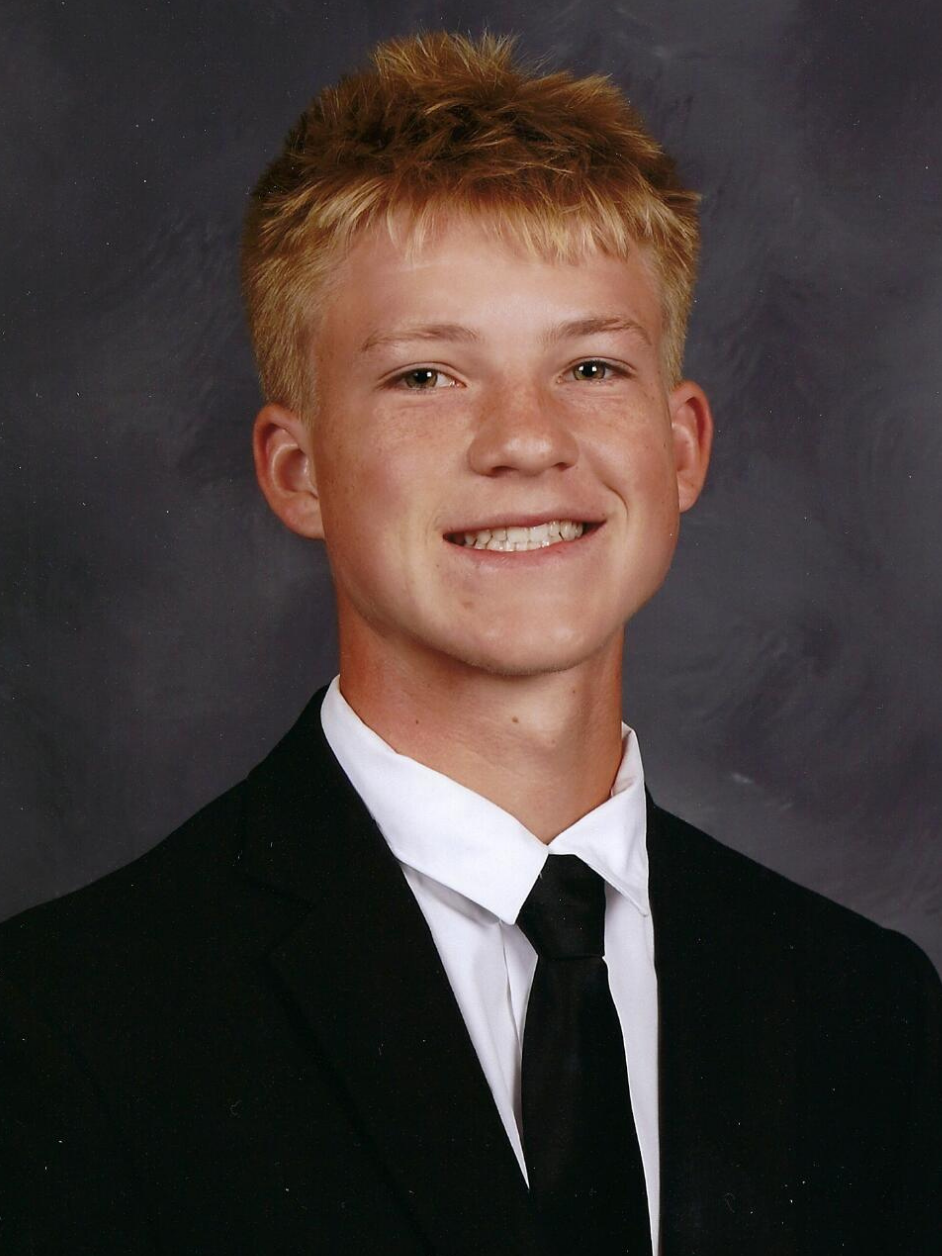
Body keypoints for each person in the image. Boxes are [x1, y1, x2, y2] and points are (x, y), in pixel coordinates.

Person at [0, 30, 938, 1256]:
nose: (527, 440)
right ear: (297, 469)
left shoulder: (870, 1009)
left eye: (590, 364)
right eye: (428, 377)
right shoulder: (68, 1022)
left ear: (682, 448)